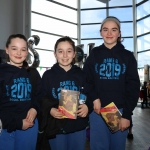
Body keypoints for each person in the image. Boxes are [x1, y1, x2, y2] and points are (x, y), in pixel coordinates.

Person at [83, 16, 140, 150]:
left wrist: (127, 115)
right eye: (105, 29)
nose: (109, 33)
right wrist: (94, 98)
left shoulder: (128, 56)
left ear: (119, 33)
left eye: (113, 30)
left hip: (120, 112)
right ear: (101, 32)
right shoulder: (94, 54)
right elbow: (86, 79)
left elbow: (133, 87)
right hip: (97, 111)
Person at [41, 36, 88, 150]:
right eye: (61, 51)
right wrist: (50, 110)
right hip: (56, 127)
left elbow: (90, 94)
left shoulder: (82, 74)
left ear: (74, 54)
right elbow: (41, 97)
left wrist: (87, 106)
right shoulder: (48, 76)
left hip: (78, 126)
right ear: (55, 54)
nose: (65, 55)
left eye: (69, 51)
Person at [0, 34, 43, 150]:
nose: (19, 53)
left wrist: (35, 108)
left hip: (29, 126)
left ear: (27, 52)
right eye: (14, 49)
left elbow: (39, 95)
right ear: (7, 49)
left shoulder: (33, 74)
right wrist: (18, 124)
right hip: (5, 127)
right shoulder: (2, 72)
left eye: (23, 49)